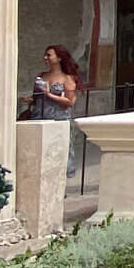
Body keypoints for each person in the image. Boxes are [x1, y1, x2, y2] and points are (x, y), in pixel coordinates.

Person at [28, 45, 82, 174]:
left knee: (57, 152)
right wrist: (30, 99)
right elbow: (36, 97)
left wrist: (49, 94)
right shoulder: (42, 76)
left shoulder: (67, 78)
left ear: (59, 58)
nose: (45, 58)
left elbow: (70, 101)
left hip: (58, 120)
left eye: (49, 55)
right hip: (38, 118)